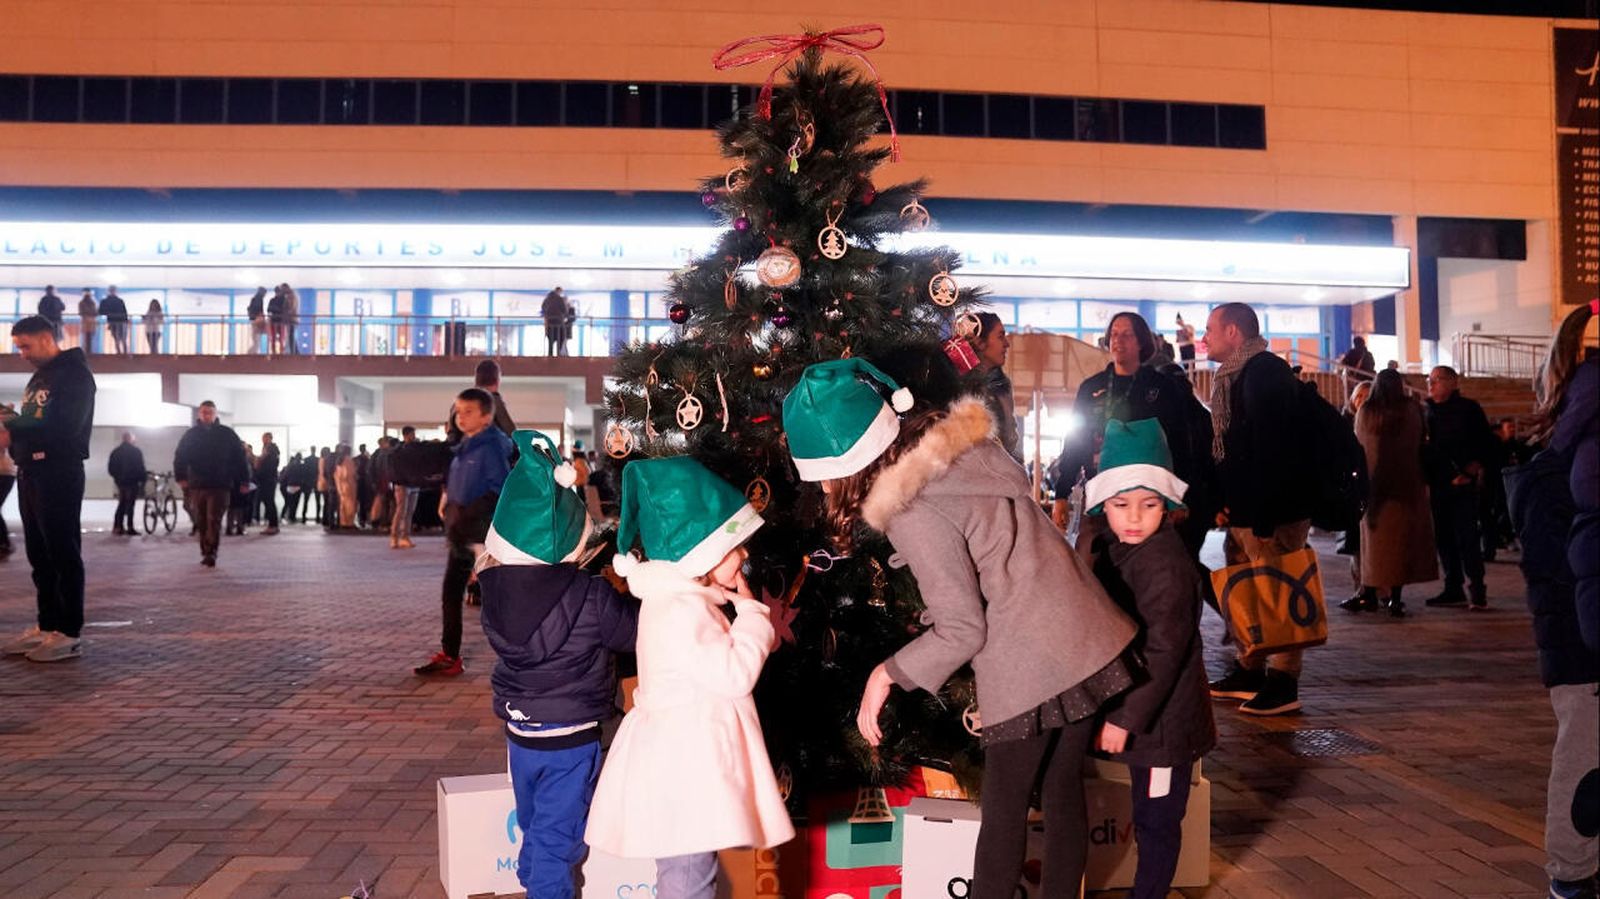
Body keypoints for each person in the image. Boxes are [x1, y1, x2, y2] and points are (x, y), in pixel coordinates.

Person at [783, 359, 1136, 899]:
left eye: (824, 476)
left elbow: (963, 629)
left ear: (848, 466)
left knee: (1004, 812)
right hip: (1079, 629)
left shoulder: (912, 510)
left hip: (1030, 656)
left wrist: (885, 675)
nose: (826, 488)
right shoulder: (958, 452)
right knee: (1063, 791)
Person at [585, 456, 792, 898]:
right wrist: (753, 617)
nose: (744, 555)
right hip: (685, 767)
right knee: (688, 877)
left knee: (688, 872)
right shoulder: (682, 609)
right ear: (703, 554)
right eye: (734, 547)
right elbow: (735, 675)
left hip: (680, 759)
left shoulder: (678, 600)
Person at [478, 429, 640, 899]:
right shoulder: (591, 594)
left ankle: (534, 882)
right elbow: (632, 633)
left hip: (521, 732)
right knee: (558, 839)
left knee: (535, 825)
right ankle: (544, 888)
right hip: (570, 737)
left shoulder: (494, 594)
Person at [1085, 419, 1216, 899]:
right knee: (1149, 813)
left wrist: (1125, 719)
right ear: (1103, 503)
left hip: (1163, 725)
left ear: (1168, 505)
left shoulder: (1164, 564)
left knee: (1157, 818)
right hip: (1146, 715)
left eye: (1150, 504)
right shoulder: (1116, 548)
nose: (1135, 518)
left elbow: (1164, 651)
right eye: (1121, 505)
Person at [1506, 300, 1598, 899]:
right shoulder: (1567, 460)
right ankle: (1572, 872)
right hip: (1582, 643)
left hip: (1575, 633)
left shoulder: (1565, 451)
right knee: (1585, 757)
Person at [1203, 303, 1315, 716]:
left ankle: (1284, 682)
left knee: (1278, 590)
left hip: (1273, 511)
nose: (1204, 337)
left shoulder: (1264, 372)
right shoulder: (1237, 374)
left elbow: (1273, 447)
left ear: (1233, 332)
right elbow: (1236, 449)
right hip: (1248, 509)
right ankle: (1250, 670)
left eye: (1210, 329)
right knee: (1249, 590)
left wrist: (1265, 515)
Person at [1053, 312, 1216, 566]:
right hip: (1100, 493)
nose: (1118, 340)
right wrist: (1061, 493)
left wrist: (1179, 497)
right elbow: (1076, 442)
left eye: (1127, 334)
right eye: (1114, 334)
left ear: (1141, 342)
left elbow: (1180, 444)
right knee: (1089, 563)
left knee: (1154, 568)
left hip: (1150, 497)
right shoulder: (1091, 388)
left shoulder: (1162, 387)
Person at [0, 316, 96, 662]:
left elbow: (64, 425)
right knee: (39, 554)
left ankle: (68, 632)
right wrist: (13, 424)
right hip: (31, 470)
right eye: (18, 348)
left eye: (25, 346)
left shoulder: (75, 375)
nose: (22, 354)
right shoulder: (40, 376)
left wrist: (13, 423)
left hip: (59, 469)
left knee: (61, 550)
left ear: (45, 338)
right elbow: (34, 420)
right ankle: (47, 625)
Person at [414, 389, 514, 676]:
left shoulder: (491, 447)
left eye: (468, 411)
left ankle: (521, 656)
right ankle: (450, 654)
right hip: (462, 533)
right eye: (458, 411)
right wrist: (449, 505)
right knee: (452, 592)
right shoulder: (464, 448)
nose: (461, 417)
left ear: (486, 416)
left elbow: (500, 488)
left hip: (480, 535)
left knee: (498, 599)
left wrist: (471, 515)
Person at [1343, 369, 1436, 618]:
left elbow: (1362, 449)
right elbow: (1421, 441)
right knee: (1400, 547)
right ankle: (1395, 598)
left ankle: (1370, 594)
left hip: (1375, 490)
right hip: (1408, 487)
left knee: (1373, 548)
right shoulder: (1411, 410)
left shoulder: (1367, 411)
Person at [1423, 365, 1495, 610]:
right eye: (1429, 379)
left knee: (1467, 537)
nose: (1431, 383)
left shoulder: (1469, 409)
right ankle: (1453, 587)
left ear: (1453, 382)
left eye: (1437, 379)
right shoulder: (1427, 411)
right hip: (1438, 484)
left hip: (1463, 484)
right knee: (1444, 538)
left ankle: (1477, 588)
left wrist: (1469, 471)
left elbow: (1485, 443)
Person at [172, 400, 249, 568]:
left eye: (210, 412)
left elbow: (240, 458)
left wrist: (244, 480)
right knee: (201, 519)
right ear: (199, 414)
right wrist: (181, 477)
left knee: (214, 518)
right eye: (204, 412)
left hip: (220, 484)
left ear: (215, 414)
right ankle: (205, 550)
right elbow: (180, 456)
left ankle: (211, 552)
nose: (207, 416)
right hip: (197, 484)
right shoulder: (191, 435)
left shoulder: (227, 434)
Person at [968, 312, 1022, 462]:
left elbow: (1011, 437)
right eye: (1000, 336)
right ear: (979, 342)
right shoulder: (957, 386)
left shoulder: (1002, 385)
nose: (1006, 344)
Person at [107, 431, 147, 536]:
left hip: (121, 482)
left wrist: (117, 478)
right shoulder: (136, 451)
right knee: (130, 505)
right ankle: (130, 527)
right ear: (130, 439)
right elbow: (140, 467)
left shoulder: (116, 452)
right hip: (132, 482)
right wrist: (143, 480)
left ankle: (118, 527)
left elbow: (110, 468)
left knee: (122, 503)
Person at [390, 427, 421, 549]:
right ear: (406, 435)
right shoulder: (398, 450)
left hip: (413, 483)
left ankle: (405, 537)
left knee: (409, 512)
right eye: (412, 434)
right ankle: (394, 536)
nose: (414, 436)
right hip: (402, 483)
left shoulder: (416, 449)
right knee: (401, 511)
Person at [254, 432, 280, 535]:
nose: (263, 440)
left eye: (265, 438)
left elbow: (267, 466)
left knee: (269, 502)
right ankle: (272, 525)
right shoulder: (269, 450)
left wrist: (259, 463)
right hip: (267, 479)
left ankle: (273, 525)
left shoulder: (271, 451)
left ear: (270, 438)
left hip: (268, 479)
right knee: (268, 502)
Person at [100, 287, 130, 356]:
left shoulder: (117, 301)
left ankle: (124, 353)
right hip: (115, 322)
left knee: (122, 338)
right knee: (118, 339)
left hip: (120, 321)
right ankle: (120, 353)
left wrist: (126, 320)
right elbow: (101, 311)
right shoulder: (106, 301)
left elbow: (124, 312)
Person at [542, 286, 570, 356]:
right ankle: (558, 355)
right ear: (559, 291)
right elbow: (564, 310)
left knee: (550, 342)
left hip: (549, 323)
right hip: (559, 323)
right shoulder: (560, 299)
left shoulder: (547, 299)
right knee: (560, 339)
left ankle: (550, 356)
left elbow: (543, 308)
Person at [335, 445, 358, 529]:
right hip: (349, 485)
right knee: (350, 504)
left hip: (340, 485)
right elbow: (350, 473)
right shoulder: (348, 460)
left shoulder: (339, 460)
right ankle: (349, 523)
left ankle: (343, 522)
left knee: (343, 504)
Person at [246, 287, 268, 355]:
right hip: (257, 320)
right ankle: (251, 353)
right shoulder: (259, 299)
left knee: (256, 339)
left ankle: (252, 352)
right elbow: (259, 310)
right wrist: (262, 317)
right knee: (256, 340)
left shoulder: (254, 299)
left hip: (254, 320)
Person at [77, 289, 98, 354]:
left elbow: (81, 312)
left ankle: (88, 351)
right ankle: (87, 351)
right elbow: (95, 312)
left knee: (88, 338)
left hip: (88, 322)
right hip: (88, 322)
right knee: (87, 338)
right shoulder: (91, 302)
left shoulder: (90, 303)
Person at [267, 285, 287, 355]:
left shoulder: (276, 300)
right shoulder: (276, 300)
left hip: (278, 320)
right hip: (277, 320)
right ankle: (275, 351)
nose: (277, 293)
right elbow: (269, 309)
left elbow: (270, 309)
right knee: (276, 337)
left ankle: (279, 351)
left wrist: (275, 309)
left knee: (280, 337)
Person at [282, 284, 301, 356]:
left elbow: (291, 307)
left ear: (286, 288)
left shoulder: (291, 296)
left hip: (291, 319)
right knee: (291, 335)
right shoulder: (292, 295)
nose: (282, 291)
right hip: (292, 318)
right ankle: (296, 351)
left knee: (291, 335)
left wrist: (287, 313)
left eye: (283, 289)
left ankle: (293, 352)